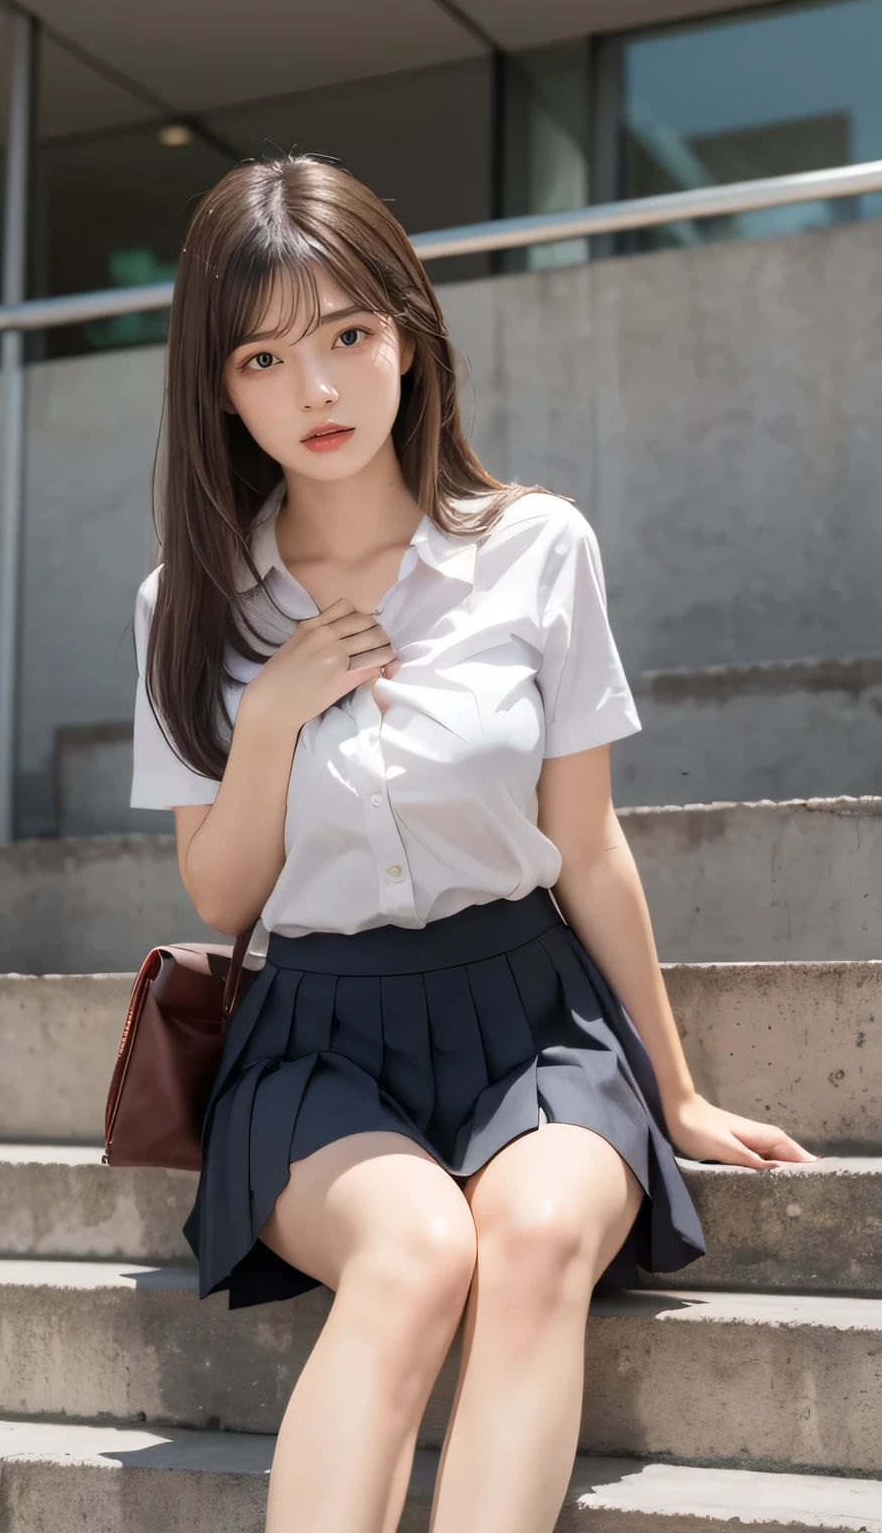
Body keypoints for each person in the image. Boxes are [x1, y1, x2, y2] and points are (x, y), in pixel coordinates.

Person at [129, 154, 818, 1533]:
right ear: (219, 386)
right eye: (263, 357)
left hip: (531, 1013)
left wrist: (674, 1092)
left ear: (408, 335)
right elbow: (219, 887)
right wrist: (268, 716)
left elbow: (587, 843)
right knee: (412, 1253)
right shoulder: (185, 603)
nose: (316, 391)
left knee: (539, 1233)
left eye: (347, 337)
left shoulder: (535, 550)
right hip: (316, 1034)